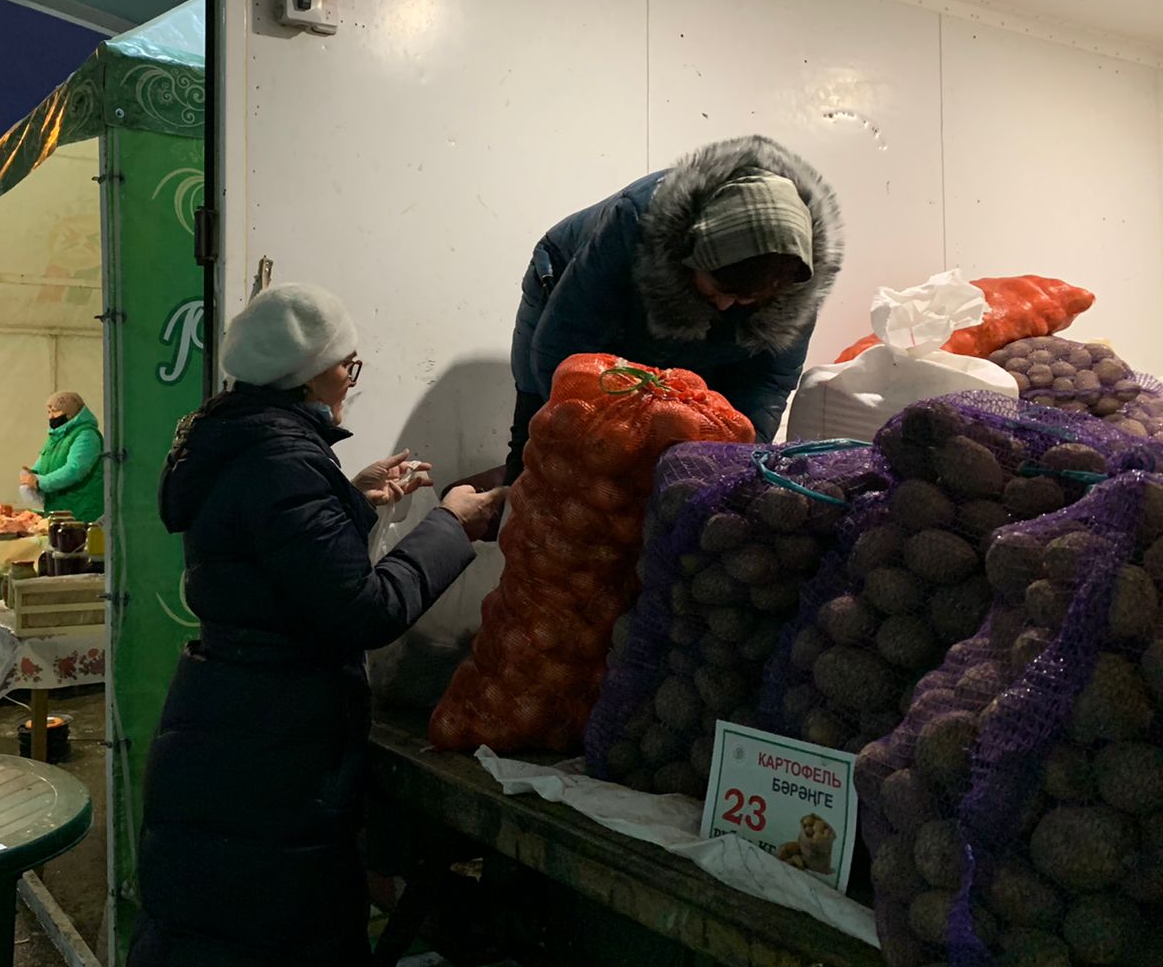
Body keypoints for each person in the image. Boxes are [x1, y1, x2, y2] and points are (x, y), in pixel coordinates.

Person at [129, 283, 507, 966]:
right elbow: (363, 609)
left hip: (232, 721)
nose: (351, 381)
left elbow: (276, 559)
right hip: (272, 746)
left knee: (212, 929)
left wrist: (349, 499)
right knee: (272, 935)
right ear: (309, 374)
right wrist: (452, 525)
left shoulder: (242, 439)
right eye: (347, 365)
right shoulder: (282, 459)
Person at [506, 133, 844, 481]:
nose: (726, 304)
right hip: (566, 276)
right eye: (719, 289)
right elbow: (564, 347)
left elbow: (766, 382)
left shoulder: (791, 282)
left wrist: (733, 457)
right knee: (545, 433)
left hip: (684, 303)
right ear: (690, 254)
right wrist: (599, 440)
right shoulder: (635, 220)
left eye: (745, 299)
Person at [20, 391, 104, 522]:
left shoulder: (86, 436)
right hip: (58, 508)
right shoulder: (56, 437)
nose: (51, 416)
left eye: (55, 411)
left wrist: (40, 482)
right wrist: (32, 473)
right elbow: (43, 461)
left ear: (69, 413)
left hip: (80, 510)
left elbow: (75, 469)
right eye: (48, 412)